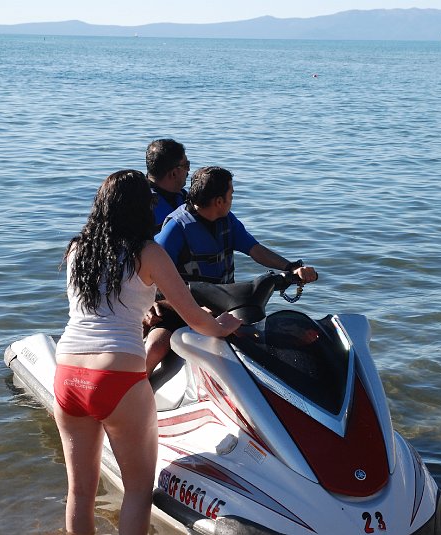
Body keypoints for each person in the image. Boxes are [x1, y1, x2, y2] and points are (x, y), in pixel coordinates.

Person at [53, 170, 241, 535]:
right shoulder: (148, 253)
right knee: (138, 491)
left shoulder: (78, 250)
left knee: (80, 490)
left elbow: (103, 303)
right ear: (143, 209)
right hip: (117, 376)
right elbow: (191, 315)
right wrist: (223, 326)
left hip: (68, 373)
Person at [144, 166, 317, 374]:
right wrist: (150, 304)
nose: (232, 198)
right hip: (181, 307)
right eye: (231, 194)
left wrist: (292, 268)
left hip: (223, 307)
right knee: (156, 346)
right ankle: (130, 392)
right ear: (219, 201)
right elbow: (151, 271)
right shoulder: (176, 228)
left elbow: (255, 249)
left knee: (276, 339)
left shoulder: (227, 221)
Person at [145, 138, 190, 234]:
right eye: (186, 165)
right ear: (173, 173)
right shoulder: (140, 205)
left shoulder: (184, 197)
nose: (188, 170)